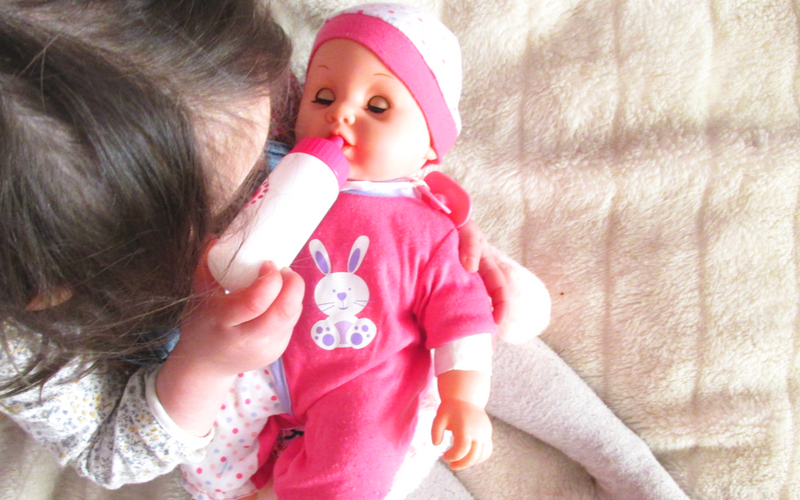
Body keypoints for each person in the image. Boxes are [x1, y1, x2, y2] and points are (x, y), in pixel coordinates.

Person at [0, 0, 505, 490]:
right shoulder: (19, 344)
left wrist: (426, 207)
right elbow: (111, 450)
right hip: (214, 381)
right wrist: (205, 361)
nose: (335, 122)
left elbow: (384, 135)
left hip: (355, 368)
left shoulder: (234, 82)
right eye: (228, 203)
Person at [181, 5, 495, 500]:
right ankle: (232, 488)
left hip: (361, 377)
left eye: (377, 107)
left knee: (355, 467)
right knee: (203, 435)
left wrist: (464, 398)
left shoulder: (429, 228)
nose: (340, 113)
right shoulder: (273, 175)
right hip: (258, 359)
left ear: (429, 150)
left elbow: (463, 319)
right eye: (323, 97)